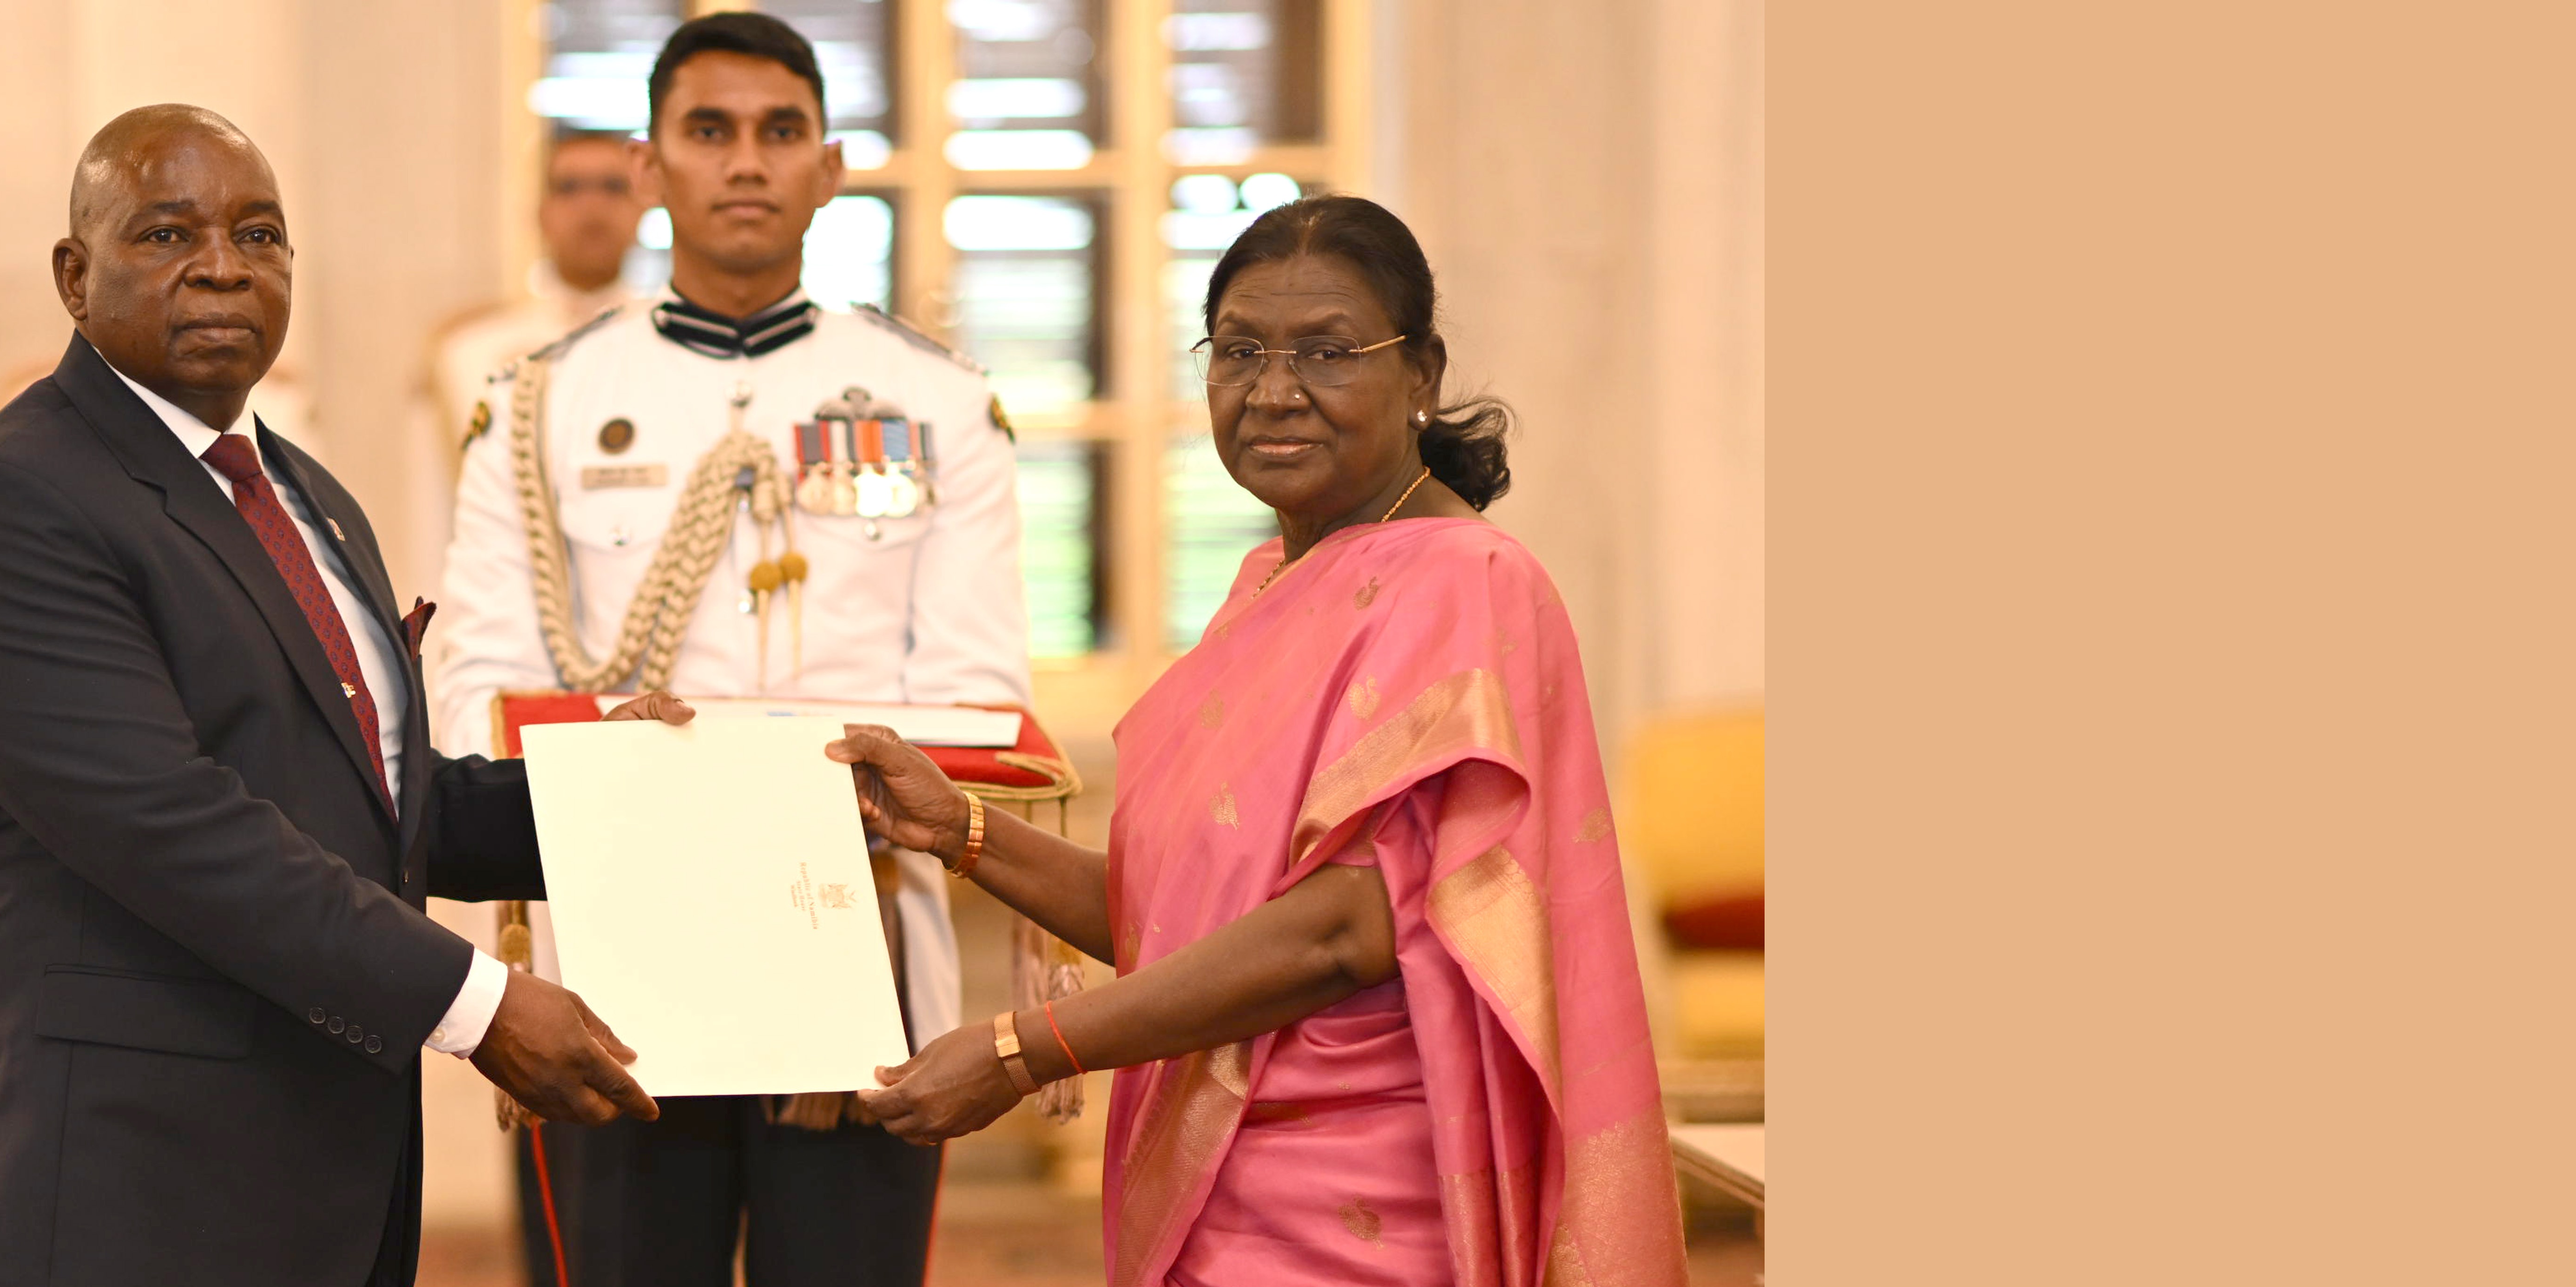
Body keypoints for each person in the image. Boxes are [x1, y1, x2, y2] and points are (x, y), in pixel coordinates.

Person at [0, 104, 689, 1287]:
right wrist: (477, 1002)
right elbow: (174, 828)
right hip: (118, 1191)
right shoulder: (15, 503)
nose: (221, 265)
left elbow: (374, 803)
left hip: (322, 1182)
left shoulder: (304, 494)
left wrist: (618, 796)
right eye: (165, 236)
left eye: (258, 234)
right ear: (74, 274)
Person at [831, 195, 1688, 1287]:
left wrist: (1021, 1049)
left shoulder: (1460, 582)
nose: (1273, 391)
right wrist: (960, 831)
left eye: (1326, 352)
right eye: (1238, 351)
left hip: (1369, 1209)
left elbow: (1342, 934)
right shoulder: (1268, 587)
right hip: (1218, 1187)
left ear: (1420, 373)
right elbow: (1181, 922)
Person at [427, 13, 1029, 1286]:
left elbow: (976, 692)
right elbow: (472, 693)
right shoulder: (538, 404)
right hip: (620, 966)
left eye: (779, 133)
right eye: (708, 132)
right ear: (650, 166)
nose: (744, 163)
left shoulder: (934, 403)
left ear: (832, 166)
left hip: (860, 960)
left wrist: (776, 796)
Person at [427, 128, 653, 473]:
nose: (592, 206)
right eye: (569, 188)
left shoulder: (672, 336)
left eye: (613, 187)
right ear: (539, 212)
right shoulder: (471, 349)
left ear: (641, 208)